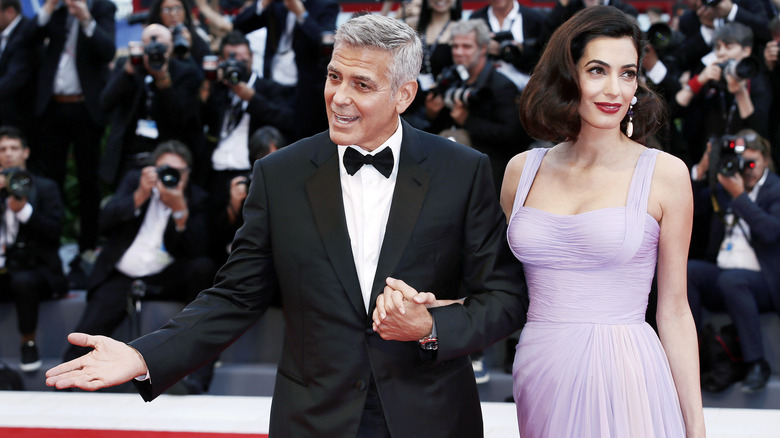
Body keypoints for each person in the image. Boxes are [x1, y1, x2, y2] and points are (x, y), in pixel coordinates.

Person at [45, 14, 528, 437]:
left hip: (431, 416)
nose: (339, 97)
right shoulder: (279, 175)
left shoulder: (462, 170)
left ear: (404, 94)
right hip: (315, 418)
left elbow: (504, 299)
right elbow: (236, 296)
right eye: (334, 76)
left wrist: (430, 326)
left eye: (361, 84)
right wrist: (144, 356)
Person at [375, 6, 706, 436]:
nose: (614, 89)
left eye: (628, 73)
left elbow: (676, 310)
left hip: (626, 373)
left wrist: (696, 427)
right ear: (567, 76)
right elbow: (507, 291)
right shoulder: (521, 171)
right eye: (597, 70)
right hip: (540, 369)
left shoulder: (665, 174)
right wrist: (439, 310)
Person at [62, 140, 214, 366]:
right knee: (88, 333)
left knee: (203, 266)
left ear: (188, 174)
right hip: (123, 274)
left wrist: (180, 210)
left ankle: (197, 363)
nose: (170, 176)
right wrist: (140, 195)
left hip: (166, 275)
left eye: (178, 171)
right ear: (152, 169)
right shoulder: (136, 182)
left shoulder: (197, 197)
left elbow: (198, 249)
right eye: (164, 170)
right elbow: (103, 222)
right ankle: (68, 380)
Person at [687, 129, 780, 393]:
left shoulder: (774, 188)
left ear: (766, 160)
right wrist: (702, 172)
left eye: (753, 163)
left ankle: (756, 364)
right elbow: (689, 207)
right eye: (743, 163)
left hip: (764, 282)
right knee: (690, 272)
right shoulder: (726, 185)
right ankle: (693, 355)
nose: (747, 170)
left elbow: (771, 232)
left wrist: (739, 197)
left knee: (732, 280)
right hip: (728, 277)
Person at [32, 0, 115, 285]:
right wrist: (49, 8)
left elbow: (108, 50)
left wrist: (85, 18)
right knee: (49, 180)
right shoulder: (54, 11)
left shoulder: (102, 8)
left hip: (85, 109)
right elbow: (27, 38)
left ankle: (87, 248)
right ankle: (49, 247)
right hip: (52, 108)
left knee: (88, 180)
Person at [423, 19, 526, 195]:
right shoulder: (451, 79)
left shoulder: (502, 86)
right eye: (455, 46)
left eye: (466, 46)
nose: (459, 52)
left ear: (483, 48)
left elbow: (512, 136)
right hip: (450, 159)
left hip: (489, 168)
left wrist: (467, 121)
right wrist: (431, 114)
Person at [99, 24, 202, 188]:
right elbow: (105, 103)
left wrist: (163, 80)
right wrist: (128, 72)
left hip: (168, 157)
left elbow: (183, 120)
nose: (156, 53)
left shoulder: (185, 72)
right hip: (128, 160)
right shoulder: (128, 67)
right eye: (149, 46)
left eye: (163, 48)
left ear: (171, 48)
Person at [0, 126, 67, 373]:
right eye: (2, 149)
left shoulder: (45, 187)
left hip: (38, 271)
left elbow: (54, 232)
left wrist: (24, 211)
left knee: (23, 281)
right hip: (4, 268)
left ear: (25, 152)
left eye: (13, 148)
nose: (8, 154)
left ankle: (28, 343)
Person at [232, 0, 339, 139]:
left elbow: (327, 46)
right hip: (272, 83)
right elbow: (238, 26)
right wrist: (262, 4)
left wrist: (302, 15)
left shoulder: (325, 5)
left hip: (305, 90)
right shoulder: (277, 5)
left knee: (300, 139)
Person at [469, 0, 549, 91]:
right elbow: (468, 56)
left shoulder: (535, 19)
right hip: (486, 89)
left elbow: (544, 59)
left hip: (526, 87)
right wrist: (483, 48)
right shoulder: (476, 19)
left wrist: (520, 50)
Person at [0, 0, 35, 142]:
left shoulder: (27, 32)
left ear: (9, 12)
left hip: (21, 117)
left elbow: (15, 77)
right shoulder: (4, 32)